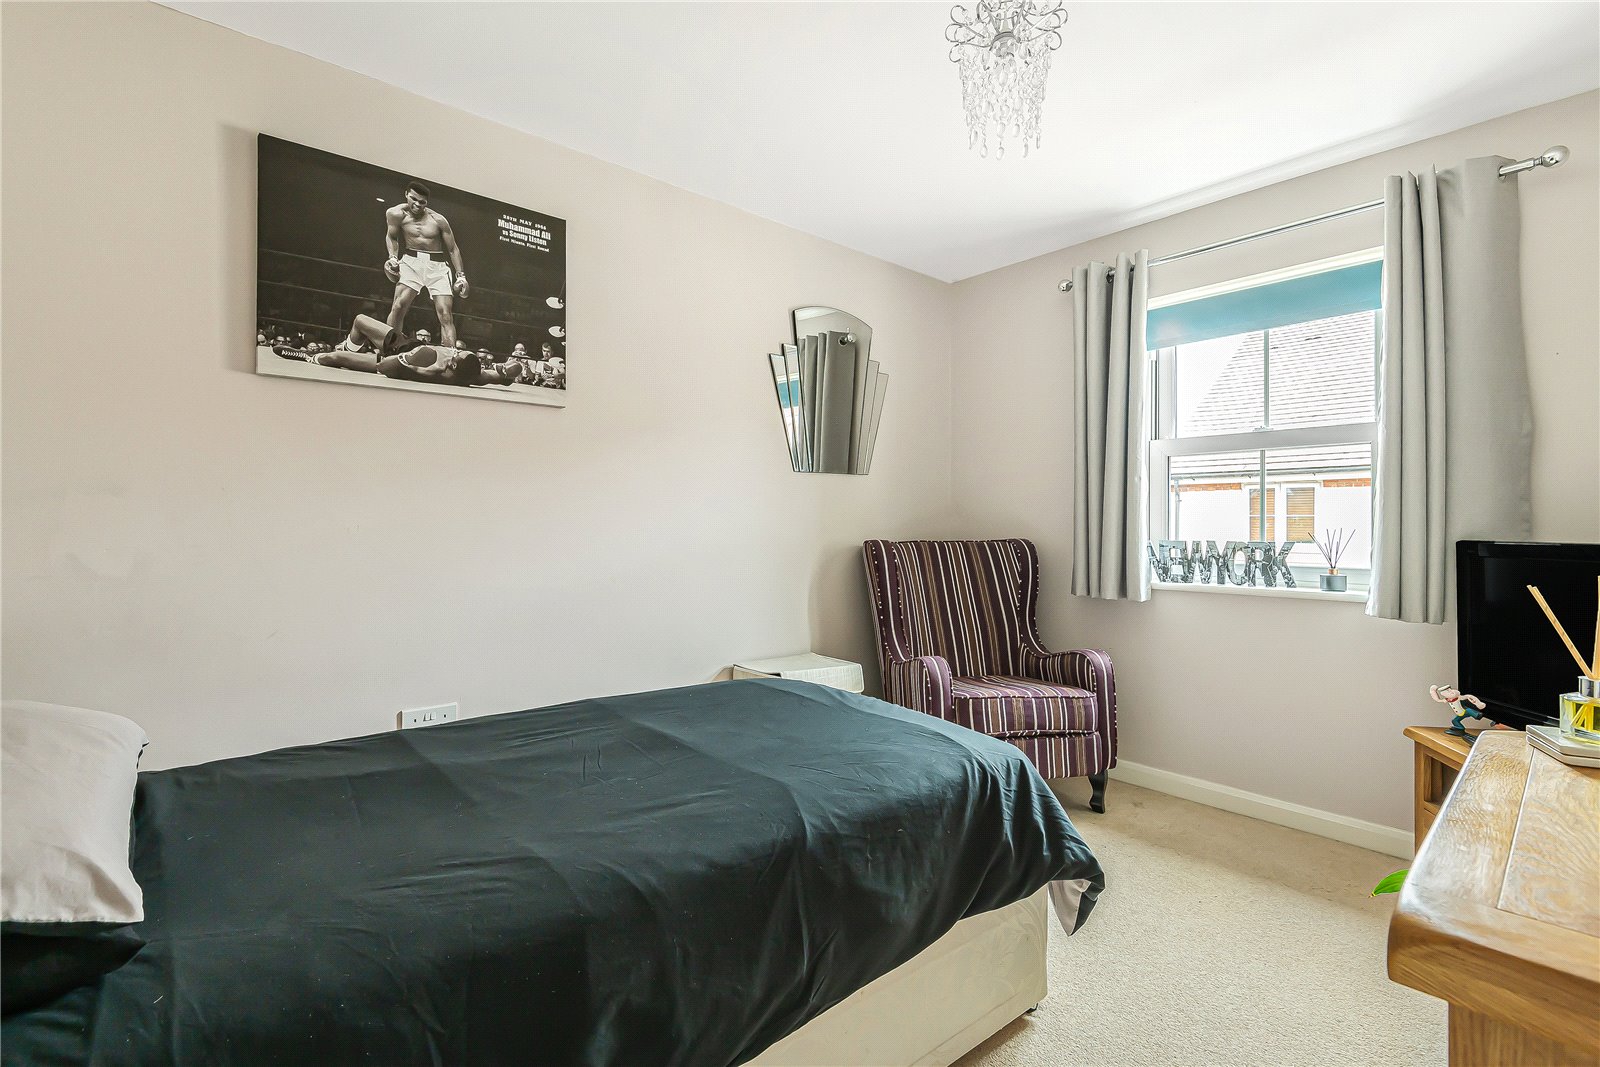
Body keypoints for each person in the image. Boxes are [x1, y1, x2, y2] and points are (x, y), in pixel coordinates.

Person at [382, 180, 468, 349]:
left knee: (445, 314)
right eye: (413, 199)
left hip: (437, 265)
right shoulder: (395, 213)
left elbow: (453, 249)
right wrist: (392, 257)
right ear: (406, 194)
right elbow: (391, 237)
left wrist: (461, 276)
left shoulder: (438, 220)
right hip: (410, 261)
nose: (417, 204)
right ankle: (390, 349)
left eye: (422, 202)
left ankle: (449, 355)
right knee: (398, 306)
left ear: (426, 202)